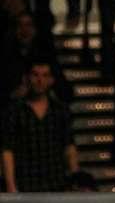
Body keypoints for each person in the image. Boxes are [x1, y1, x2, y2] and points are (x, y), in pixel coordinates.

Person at [1, 59, 78, 192]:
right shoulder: (14, 111)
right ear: (27, 78)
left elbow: (69, 146)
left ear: (51, 80)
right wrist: (11, 186)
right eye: (35, 75)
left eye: (45, 75)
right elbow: (7, 150)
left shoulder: (60, 110)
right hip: (26, 185)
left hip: (56, 183)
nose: (40, 80)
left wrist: (75, 179)